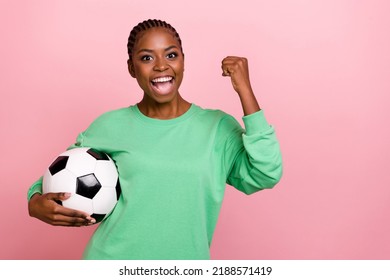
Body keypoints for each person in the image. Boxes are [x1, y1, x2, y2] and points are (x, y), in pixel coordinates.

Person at [27, 19, 283, 260]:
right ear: (131, 68)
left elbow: (265, 173)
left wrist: (245, 90)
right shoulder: (109, 125)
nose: (161, 66)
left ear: (183, 61)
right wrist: (35, 201)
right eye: (147, 58)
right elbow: (61, 174)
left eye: (171, 55)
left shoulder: (217, 128)